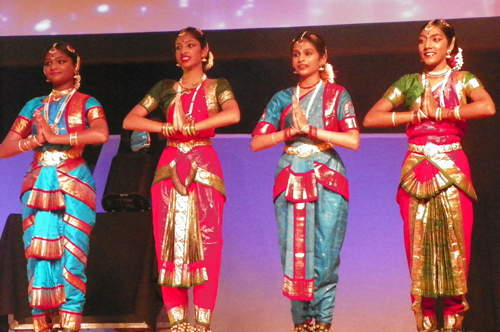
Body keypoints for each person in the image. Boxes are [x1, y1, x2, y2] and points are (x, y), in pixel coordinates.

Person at [363, 19, 495, 332]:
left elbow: (488, 107)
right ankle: (423, 321)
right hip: (416, 171)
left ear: (450, 46)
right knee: (418, 250)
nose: (427, 45)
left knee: (455, 249)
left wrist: (445, 113)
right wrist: (415, 114)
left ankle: (453, 320)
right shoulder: (409, 82)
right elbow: (372, 117)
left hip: (452, 169)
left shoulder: (464, 80)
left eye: (436, 39)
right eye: (422, 39)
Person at [123, 27, 240, 332]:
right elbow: (130, 120)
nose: (183, 50)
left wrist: (193, 128)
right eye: (178, 46)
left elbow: (233, 115)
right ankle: (178, 324)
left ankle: (201, 325)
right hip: (169, 167)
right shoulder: (164, 87)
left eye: (190, 45)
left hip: (203, 166)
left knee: (208, 242)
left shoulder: (218, 86)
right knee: (167, 244)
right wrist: (164, 128)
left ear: (205, 51)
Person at [250, 31, 360, 332]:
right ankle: (300, 324)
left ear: (322, 58)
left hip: (328, 177)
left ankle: (323, 323)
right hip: (289, 178)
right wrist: (288, 133)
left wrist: (311, 130)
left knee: (325, 254)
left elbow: (352, 141)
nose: (301, 59)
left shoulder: (338, 94)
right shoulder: (282, 98)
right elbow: (257, 142)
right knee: (293, 255)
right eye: (297, 54)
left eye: (308, 53)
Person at [0, 42, 109, 332]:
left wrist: (56, 138)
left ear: (76, 66)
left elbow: (100, 134)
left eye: (61, 61)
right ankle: (41, 324)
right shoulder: (33, 105)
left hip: (74, 183)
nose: (53, 66)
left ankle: (70, 324)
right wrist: (35, 141)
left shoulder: (88, 102)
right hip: (37, 185)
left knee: (73, 256)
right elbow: (5, 148)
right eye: (48, 63)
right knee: (36, 255)